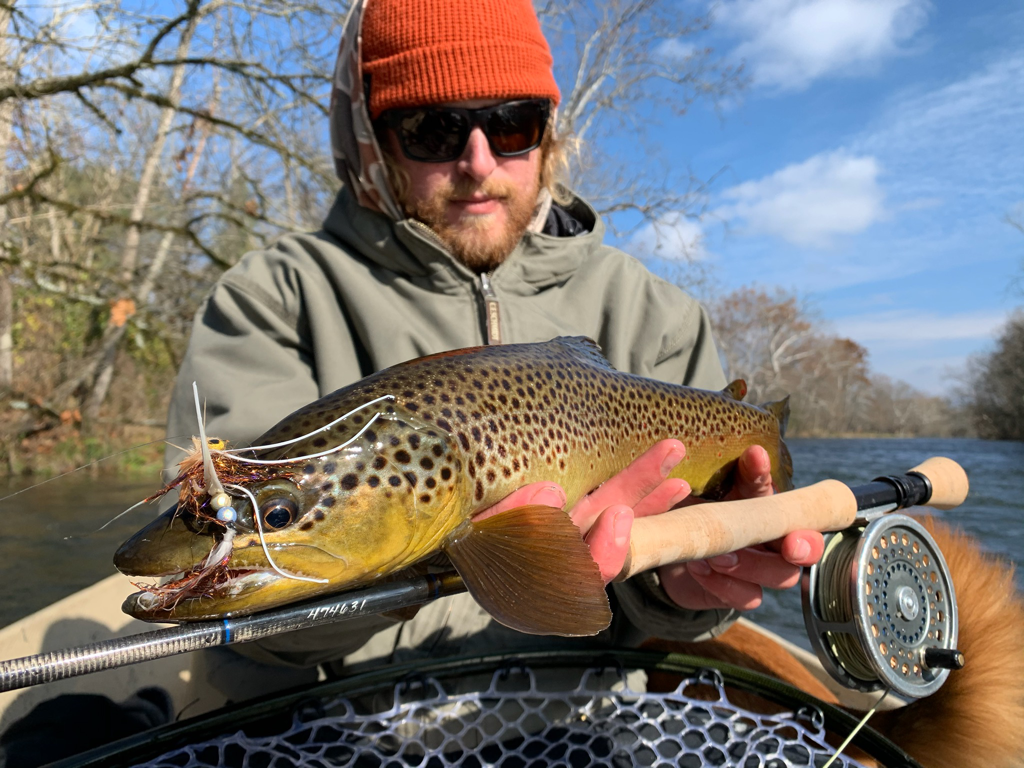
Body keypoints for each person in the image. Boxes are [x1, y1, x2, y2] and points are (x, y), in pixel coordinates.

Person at [164, 0, 824, 700]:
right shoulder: (274, 299)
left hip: (586, 709)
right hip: (338, 712)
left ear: (549, 137)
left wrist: (681, 584)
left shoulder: (657, 313)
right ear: (374, 142)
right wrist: (413, 571)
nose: (477, 162)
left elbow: (689, 600)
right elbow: (248, 616)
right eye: (433, 129)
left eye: (512, 124)